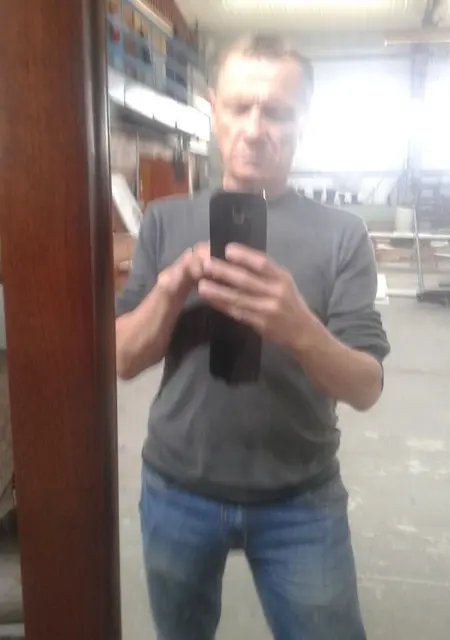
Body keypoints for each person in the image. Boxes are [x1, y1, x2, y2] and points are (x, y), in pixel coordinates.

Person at [115, 34, 390, 640]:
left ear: (303, 122)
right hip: (177, 487)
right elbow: (123, 357)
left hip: (300, 498)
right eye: (240, 107)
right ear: (214, 112)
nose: (256, 128)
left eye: (277, 112)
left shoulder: (342, 235)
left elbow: (366, 387)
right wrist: (170, 287)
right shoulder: (164, 220)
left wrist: (298, 326)